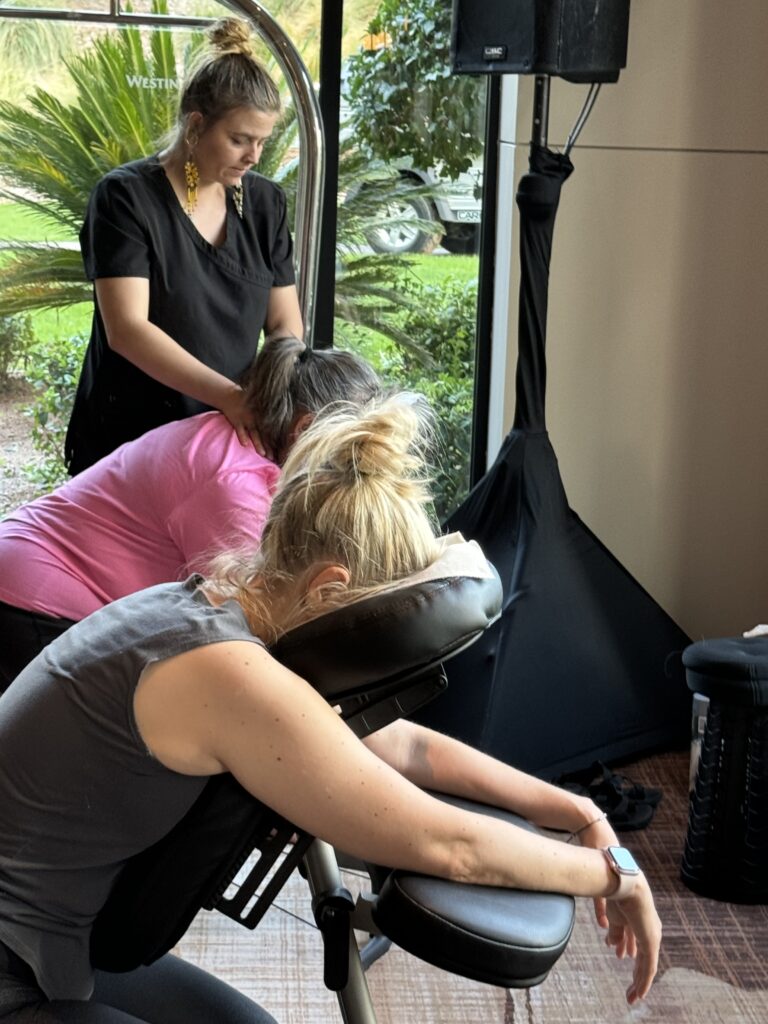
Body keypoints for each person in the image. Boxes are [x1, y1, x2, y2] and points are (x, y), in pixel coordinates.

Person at [0, 396, 661, 1021]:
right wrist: (615, 876)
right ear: (327, 588)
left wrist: (574, 810)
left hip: (57, 943)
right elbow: (446, 844)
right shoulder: (225, 671)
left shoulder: (214, 605)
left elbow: (404, 747)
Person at [0, 336, 379, 690]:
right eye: (358, 448)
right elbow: (256, 622)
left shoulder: (246, 451)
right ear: (306, 430)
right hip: (34, 598)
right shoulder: (232, 481)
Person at [65, 16, 303, 475]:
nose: (254, 156)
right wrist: (229, 398)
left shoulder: (265, 204)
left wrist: (275, 404)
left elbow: (284, 326)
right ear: (196, 126)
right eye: (239, 140)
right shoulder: (125, 198)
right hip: (128, 446)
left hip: (222, 445)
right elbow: (128, 330)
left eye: (261, 141)